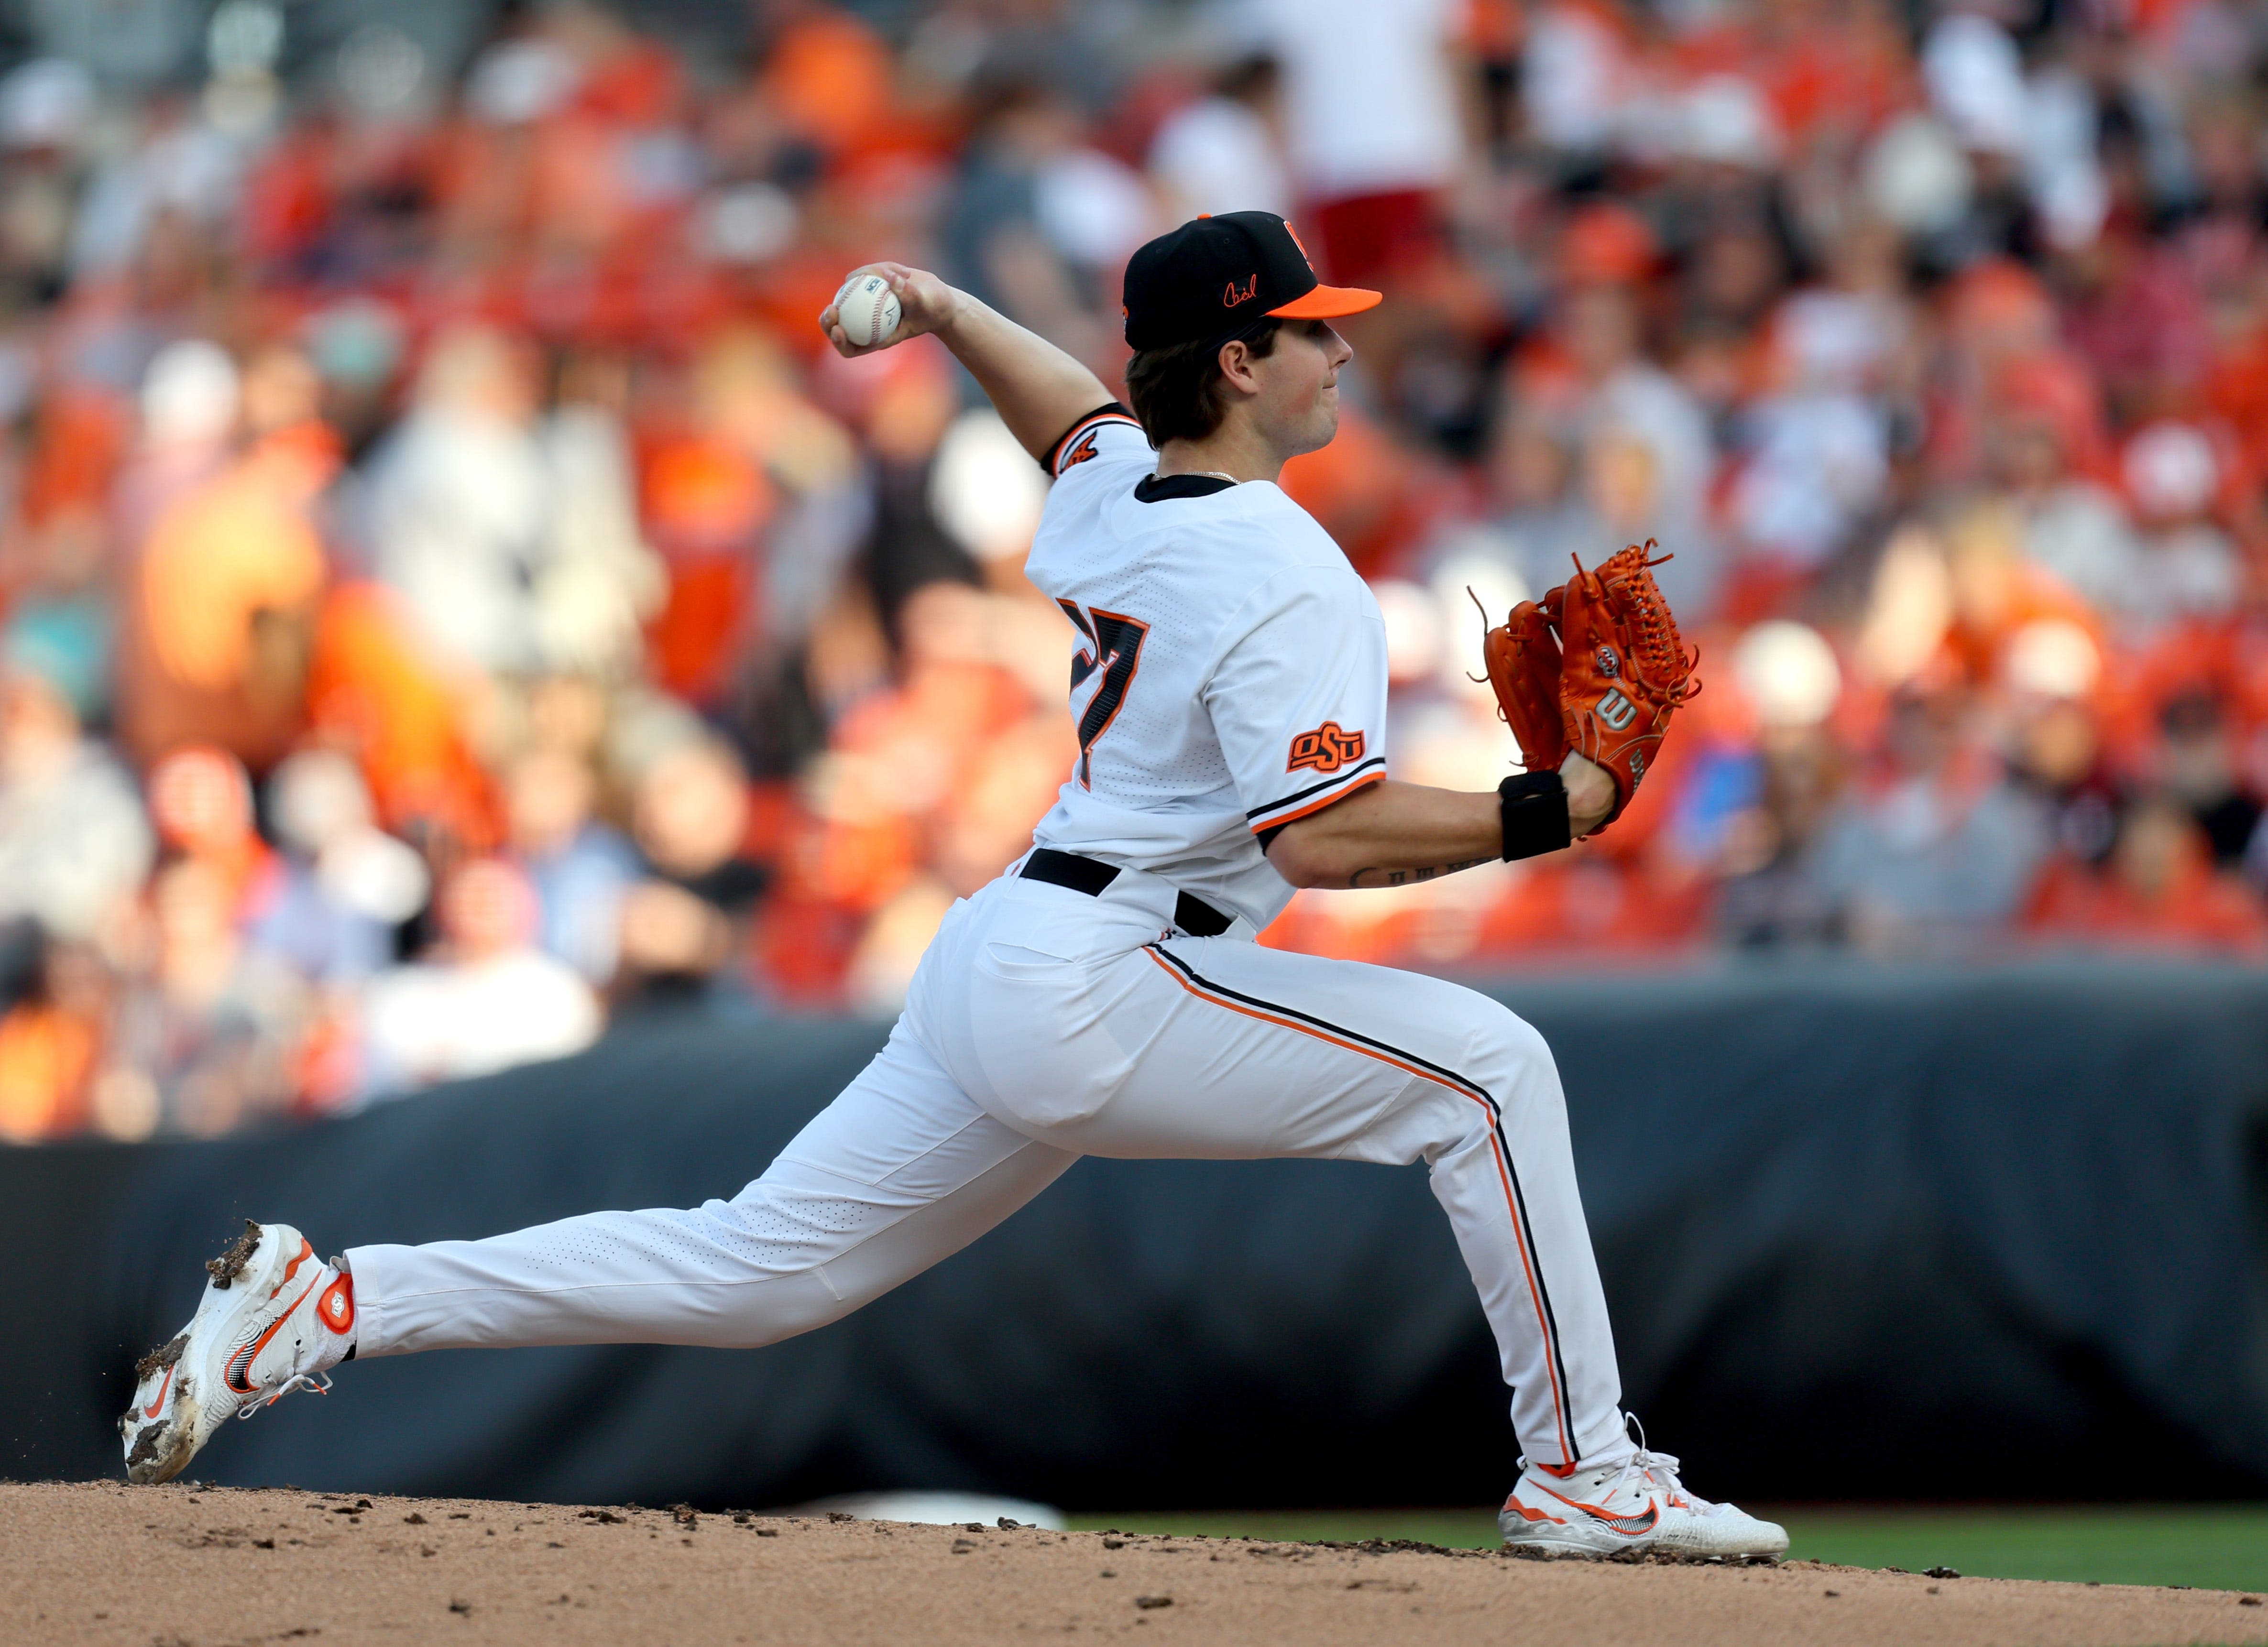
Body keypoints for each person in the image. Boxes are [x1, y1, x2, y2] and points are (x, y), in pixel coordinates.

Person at [119, 212, 1785, 1562]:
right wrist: (1549, 806)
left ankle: (332, 1305)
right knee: (1493, 1073)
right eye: (1312, 328)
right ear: (1240, 358)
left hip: (1011, 956)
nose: (1345, 349)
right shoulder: (1286, 565)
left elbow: (1067, 405)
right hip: (1121, 970)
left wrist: (940, 303)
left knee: (754, 1272)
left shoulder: (1124, 493)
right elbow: (1322, 844)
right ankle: (1584, 1469)